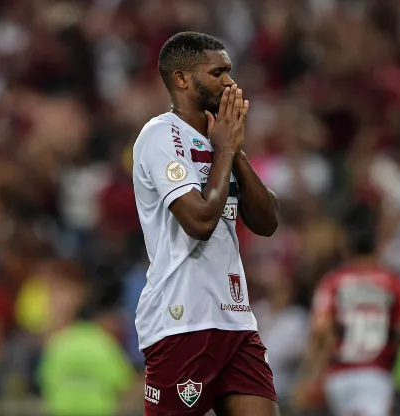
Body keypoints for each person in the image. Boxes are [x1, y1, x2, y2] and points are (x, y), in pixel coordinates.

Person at [132, 32, 281, 416]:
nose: (230, 82)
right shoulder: (160, 135)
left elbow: (267, 222)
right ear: (182, 79)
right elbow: (198, 220)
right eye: (218, 72)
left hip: (235, 319)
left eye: (230, 72)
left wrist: (236, 152)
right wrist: (226, 150)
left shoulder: (221, 141)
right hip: (182, 319)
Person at [294, 204, 400, 416]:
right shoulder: (394, 283)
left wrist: (308, 377)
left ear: (348, 249)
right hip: (377, 373)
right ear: (377, 247)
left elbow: (321, 332)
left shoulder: (332, 282)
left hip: (340, 376)